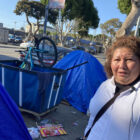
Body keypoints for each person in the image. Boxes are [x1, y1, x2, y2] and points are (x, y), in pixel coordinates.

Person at [81, 36, 140, 140]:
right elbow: (93, 116)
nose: (122, 65)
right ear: (110, 63)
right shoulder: (105, 85)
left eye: (129, 59)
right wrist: (86, 134)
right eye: (117, 59)